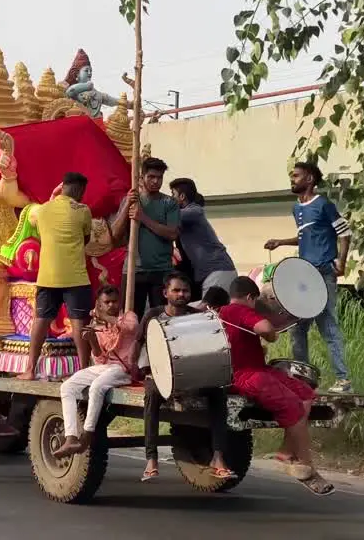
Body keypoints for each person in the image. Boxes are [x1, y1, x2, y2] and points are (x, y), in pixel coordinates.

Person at [220, 276, 333, 495]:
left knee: (306, 393)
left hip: (258, 370)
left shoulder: (221, 311)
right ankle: (307, 466)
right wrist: (271, 333)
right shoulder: (239, 311)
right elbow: (265, 329)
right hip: (246, 375)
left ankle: (285, 451)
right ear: (251, 297)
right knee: (294, 407)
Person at [264, 160, 354, 394]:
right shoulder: (297, 208)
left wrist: (341, 261)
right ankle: (301, 380)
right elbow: (306, 236)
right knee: (297, 327)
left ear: (309, 179)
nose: (292, 179)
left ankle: (343, 379)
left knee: (328, 326)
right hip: (304, 274)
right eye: (292, 176)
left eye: (296, 176)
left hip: (323, 273)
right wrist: (281, 242)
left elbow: (345, 233)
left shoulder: (323, 204)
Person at [134, 272, 233, 482]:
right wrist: (135, 369)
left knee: (218, 392)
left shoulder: (196, 316)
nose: (181, 294)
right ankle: (151, 458)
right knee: (151, 395)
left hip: (189, 377)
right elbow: (139, 343)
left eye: (185, 291)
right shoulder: (153, 315)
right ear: (165, 293)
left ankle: (217, 456)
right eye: (176, 290)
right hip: (159, 377)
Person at [21, 172, 94, 378]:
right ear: (79, 190)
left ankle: (29, 369)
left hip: (47, 277)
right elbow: (86, 238)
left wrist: (52, 197)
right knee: (79, 322)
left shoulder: (42, 210)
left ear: (62, 187)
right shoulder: (83, 210)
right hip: (76, 277)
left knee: (40, 321)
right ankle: (83, 370)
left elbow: (37, 226)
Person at [53, 286, 138, 457]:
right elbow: (100, 358)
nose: (111, 305)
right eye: (106, 302)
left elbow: (131, 328)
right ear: (99, 304)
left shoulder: (129, 316)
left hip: (124, 369)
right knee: (68, 387)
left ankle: (87, 436)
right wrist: (92, 340)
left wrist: (105, 316)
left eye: (114, 301)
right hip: (106, 367)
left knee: (97, 386)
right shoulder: (97, 325)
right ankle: (71, 437)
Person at [113, 157, 180, 318]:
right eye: (151, 177)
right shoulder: (132, 200)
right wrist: (127, 206)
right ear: (142, 177)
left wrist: (143, 218)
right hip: (133, 270)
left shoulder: (169, 203)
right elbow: (115, 235)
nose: (156, 181)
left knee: (162, 319)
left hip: (161, 270)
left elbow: (172, 233)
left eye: (159, 177)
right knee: (130, 319)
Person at [168, 178, 235, 298]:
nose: (171, 198)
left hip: (217, 272)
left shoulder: (194, 211)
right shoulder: (187, 215)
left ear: (182, 196)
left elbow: (167, 215)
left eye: (173, 194)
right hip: (213, 273)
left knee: (208, 312)